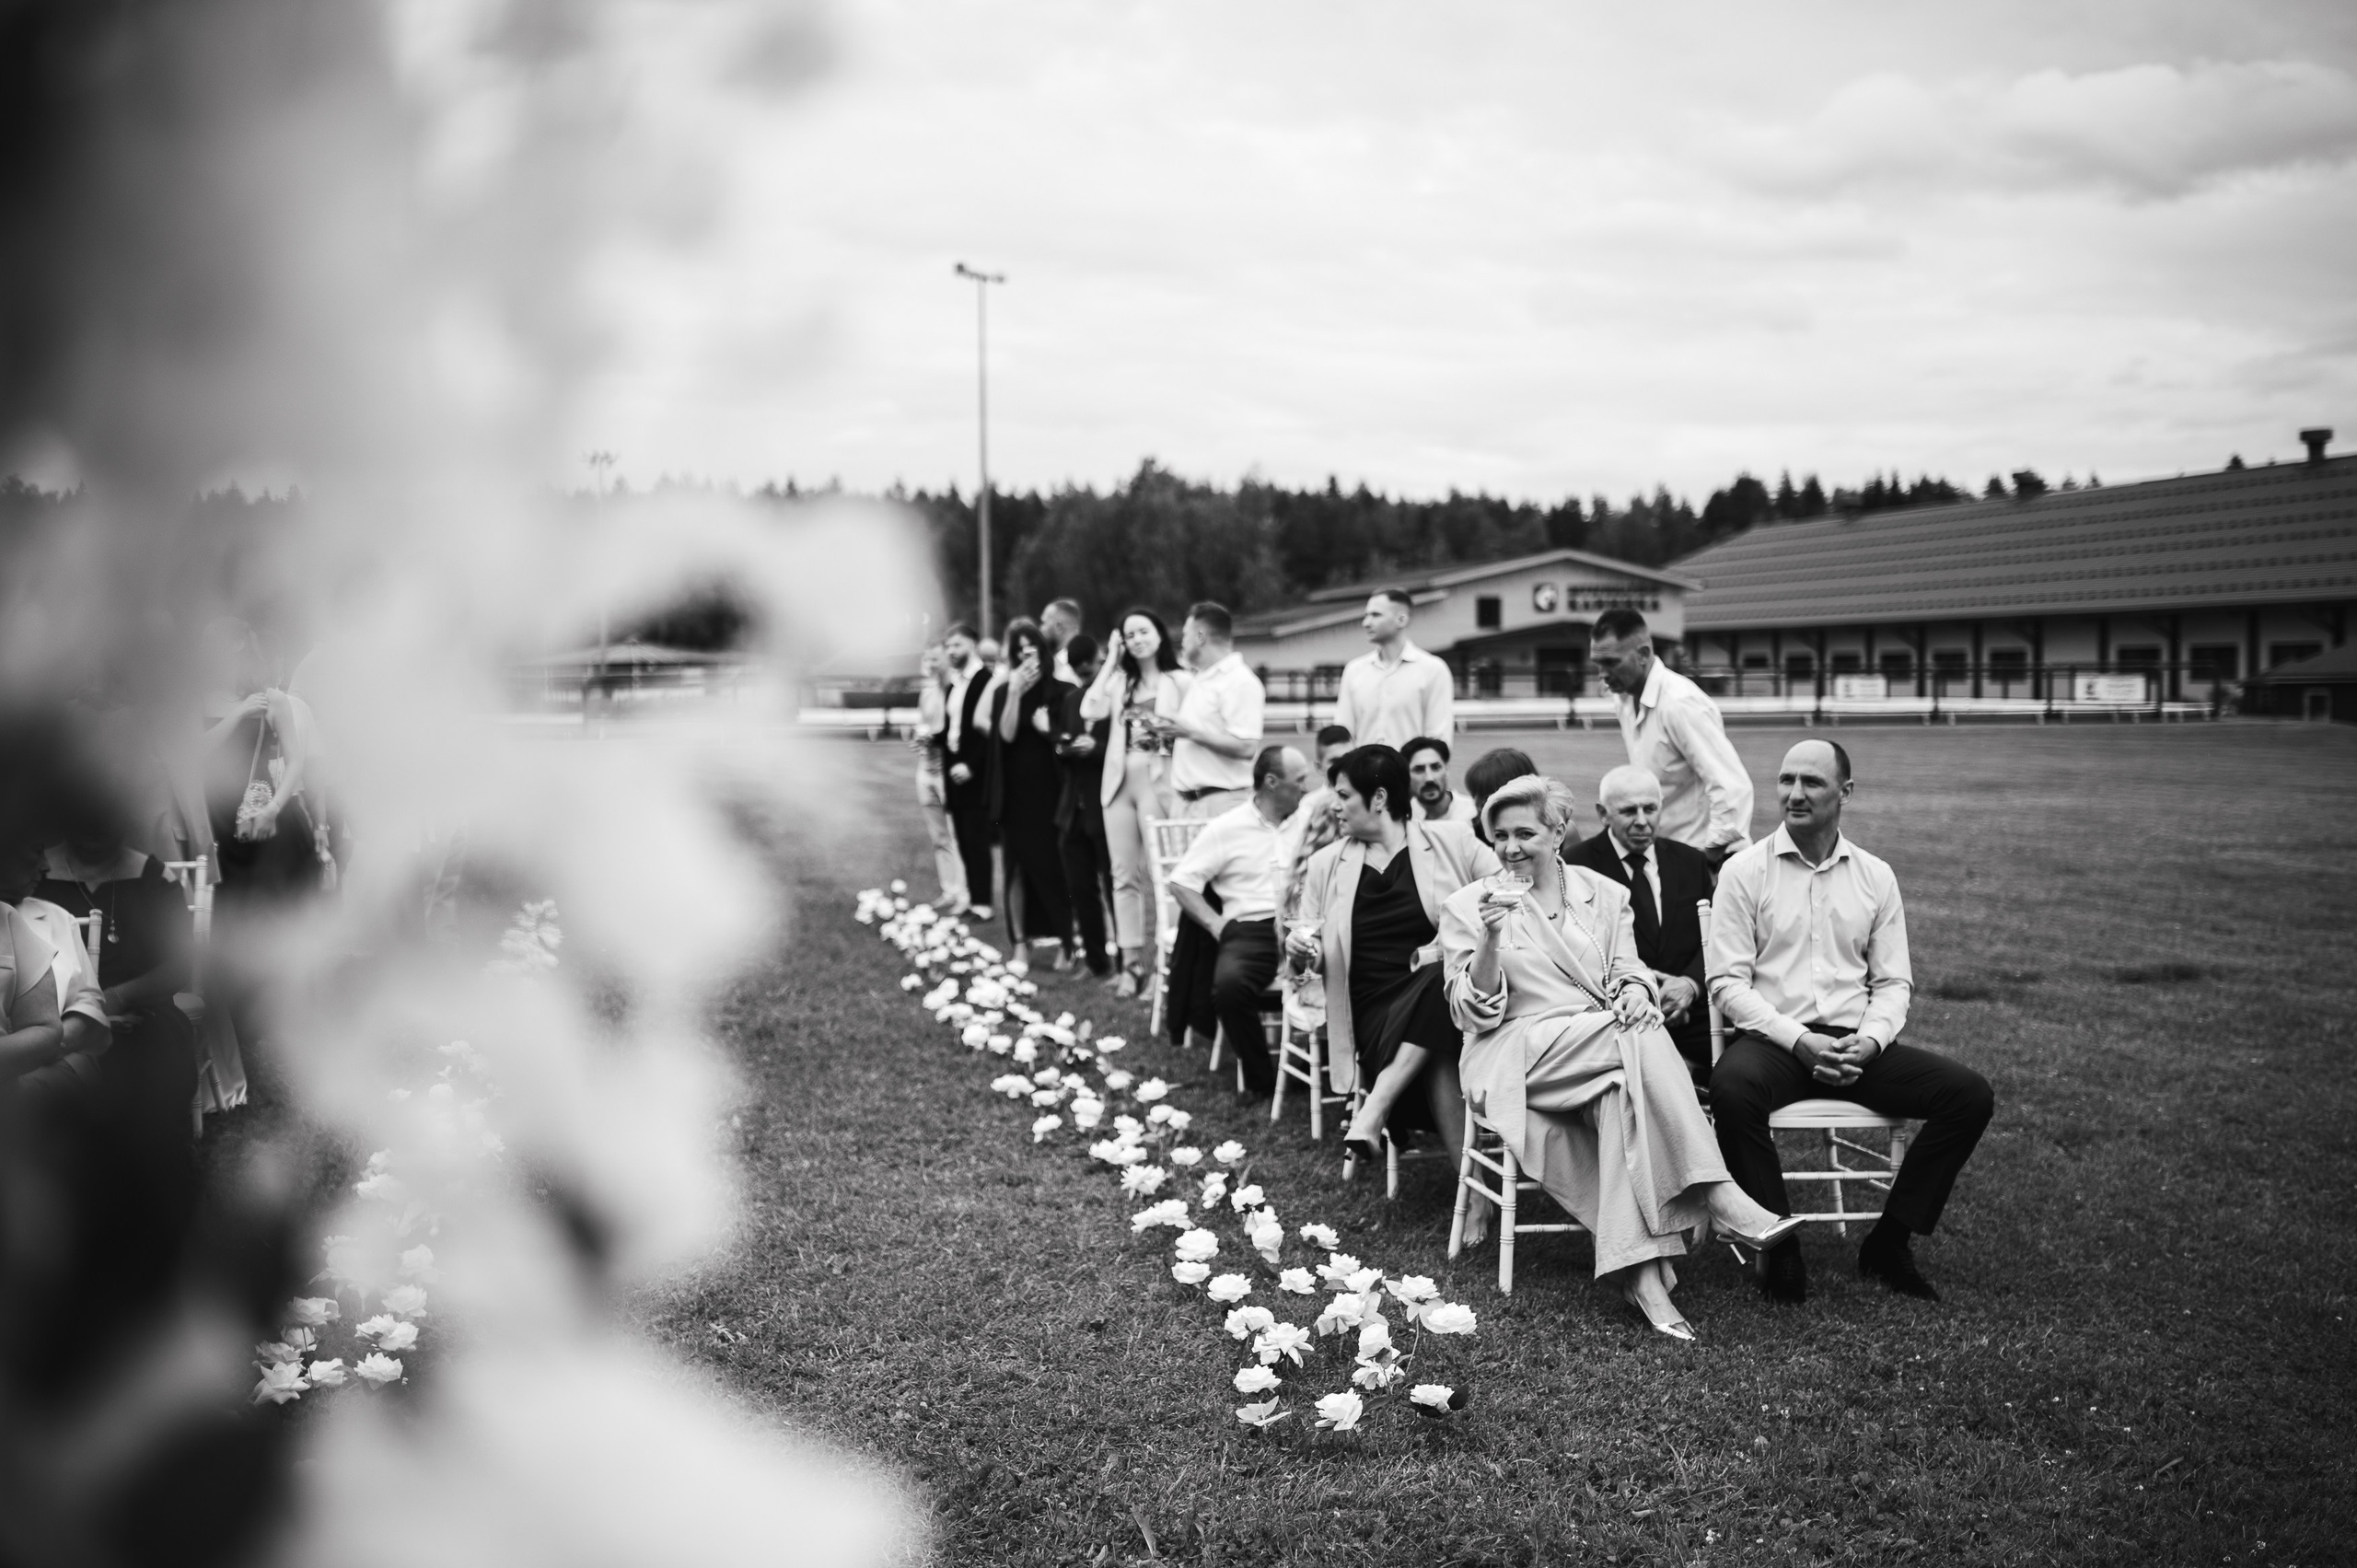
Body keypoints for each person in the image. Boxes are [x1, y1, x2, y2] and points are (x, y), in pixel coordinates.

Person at [1441, 775, 1801, 1339]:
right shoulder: (1468, 905)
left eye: (1525, 833)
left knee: (1620, 1087)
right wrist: (1488, 939)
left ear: (1558, 832)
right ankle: (1716, 1190)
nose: (1510, 847)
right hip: (1514, 1052)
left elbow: (1629, 970)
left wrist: (1636, 991)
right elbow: (1472, 1012)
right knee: (1634, 1035)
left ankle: (1643, 1278)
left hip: (1600, 1050)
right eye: (1499, 835)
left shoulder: (1604, 894)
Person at [1707, 739, 1995, 1304]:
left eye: (1811, 782)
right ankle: (1780, 1249)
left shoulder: (1875, 876)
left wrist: (1869, 1041)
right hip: (1774, 1039)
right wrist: (1800, 1040)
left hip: (1855, 1042)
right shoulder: (1744, 871)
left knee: (1968, 1096)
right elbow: (1727, 984)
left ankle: (1888, 1243)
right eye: (1786, 779)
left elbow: (1892, 984)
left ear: (1845, 792)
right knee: (1732, 1088)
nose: (1794, 793)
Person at [1290, 745, 1495, 1191]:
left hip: (1445, 1000)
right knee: (1439, 1009)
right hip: (1370, 1012)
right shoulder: (1327, 864)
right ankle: (1473, 1191)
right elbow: (1309, 957)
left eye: (1344, 795)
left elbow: (1507, 893)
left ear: (1378, 799)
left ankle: (1377, 1107)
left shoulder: (1452, 840)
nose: (1335, 806)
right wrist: (1300, 952)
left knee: (1438, 994)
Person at [1166, 745, 1312, 1097]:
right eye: (1300, 780)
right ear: (1272, 782)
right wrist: (1217, 926)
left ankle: (1321, 1065)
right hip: (1252, 927)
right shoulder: (1226, 828)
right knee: (1230, 987)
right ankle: (1265, 1079)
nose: (1307, 788)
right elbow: (1182, 881)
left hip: (1306, 922)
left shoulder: (1310, 821)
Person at [1564, 765, 1715, 1079]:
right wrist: (1644, 991)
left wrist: (1689, 985)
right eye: (1629, 811)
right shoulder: (1575, 867)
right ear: (1603, 814)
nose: (1642, 821)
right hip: (1617, 1015)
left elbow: (1716, 937)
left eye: (1650, 808)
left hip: (1690, 1013)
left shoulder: (1691, 862)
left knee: (1745, 1061)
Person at [1077, 607, 1190, 997]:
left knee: (1164, 878)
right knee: (1123, 876)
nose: (1137, 639)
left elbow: (1195, 731)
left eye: (1144, 631)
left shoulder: (1181, 681)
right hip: (1118, 784)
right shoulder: (1119, 681)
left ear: (1159, 635)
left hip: (1160, 784)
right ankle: (1130, 965)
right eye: (1129, 635)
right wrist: (1110, 657)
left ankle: (1165, 969)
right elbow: (1088, 709)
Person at [1588, 609, 1752, 868]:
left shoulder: (1680, 704)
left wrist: (1710, 858)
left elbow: (1732, 788)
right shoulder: (1624, 699)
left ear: (1642, 655)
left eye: (1611, 662)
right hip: (1662, 856)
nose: (1602, 674)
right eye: (1598, 664)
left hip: (1705, 858)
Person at [991, 619, 1078, 967]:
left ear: (1043, 652)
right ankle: (1020, 946)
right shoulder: (1003, 691)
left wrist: (1048, 730)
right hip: (1015, 796)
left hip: (1053, 792)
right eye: (1020, 651)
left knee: (1057, 868)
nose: (1028, 657)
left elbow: (1067, 740)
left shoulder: (1063, 690)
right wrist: (1013, 691)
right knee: (1016, 869)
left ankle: (1066, 943)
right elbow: (1007, 735)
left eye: (1033, 649)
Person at [1154, 602, 1264, 819]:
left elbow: (1247, 747)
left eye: (1186, 635)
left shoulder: (1239, 681)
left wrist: (1190, 733)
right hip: (1187, 804)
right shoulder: (1201, 678)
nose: (1182, 643)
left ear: (1200, 637)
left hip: (1221, 804)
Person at [1051, 633, 1114, 980]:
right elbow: (1059, 743)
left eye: (1089, 670)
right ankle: (1095, 960)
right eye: (1080, 673)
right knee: (1080, 887)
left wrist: (1097, 748)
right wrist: (1065, 748)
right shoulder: (1072, 699)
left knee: (1111, 885)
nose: (1085, 677)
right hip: (1071, 808)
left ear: (1100, 659)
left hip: (1103, 806)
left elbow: (1124, 750)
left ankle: (1124, 960)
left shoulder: (1115, 698)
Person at [1332, 588, 1454, 750]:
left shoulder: (1433, 670)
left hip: (1410, 774)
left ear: (1401, 619)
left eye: (1376, 615)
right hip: (1363, 774)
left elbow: (1438, 737)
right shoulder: (1354, 671)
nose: (1366, 623)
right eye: (1366, 615)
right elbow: (1342, 735)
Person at [939, 622, 998, 922]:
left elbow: (990, 732)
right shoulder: (954, 683)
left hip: (976, 774)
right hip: (954, 773)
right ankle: (973, 900)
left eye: (957, 645)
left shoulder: (985, 680)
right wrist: (933, 738)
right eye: (948, 646)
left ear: (972, 645)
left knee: (977, 840)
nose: (951, 651)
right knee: (962, 837)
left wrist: (971, 765)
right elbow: (954, 729)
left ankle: (984, 905)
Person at [911, 643, 970, 912]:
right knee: (939, 837)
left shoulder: (958, 692)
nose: (931, 664)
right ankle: (949, 890)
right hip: (925, 770)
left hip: (948, 772)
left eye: (935, 659)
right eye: (927, 659)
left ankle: (965, 894)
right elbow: (924, 726)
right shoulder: (926, 693)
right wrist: (919, 739)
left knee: (958, 834)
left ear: (947, 659)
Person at [1463, 747, 1538, 840]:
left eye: (1484, 796)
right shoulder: (1472, 833)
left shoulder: (1548, 825)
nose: (1476, 802)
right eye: (1474, 794)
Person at [1402, 735, 1475, 823]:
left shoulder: (1473, 813)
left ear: (1447, 769)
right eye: (1419, 770)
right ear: (1406, 775)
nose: (1429, 778)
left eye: (1435, 768)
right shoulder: (1402, 819)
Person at [1039, 598, 1084, 683]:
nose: (1041, 629)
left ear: (1058, 627)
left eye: (1044, 623)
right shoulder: (1093, 659)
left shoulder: (1064, 666)